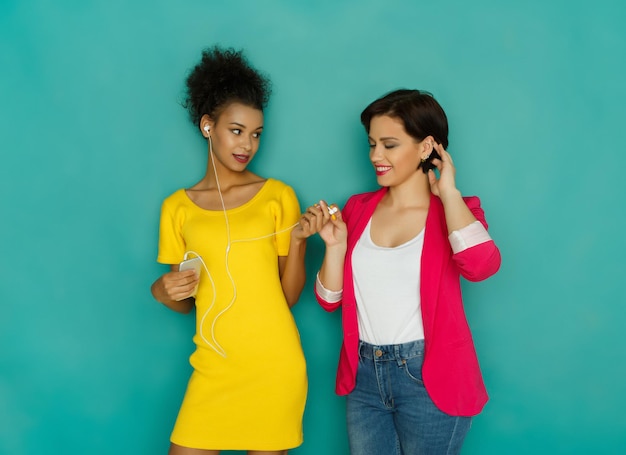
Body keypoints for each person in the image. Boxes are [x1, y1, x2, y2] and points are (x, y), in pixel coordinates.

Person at [307, 89, 502, 454]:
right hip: (365, 378)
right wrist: (335, 247)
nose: (375, 156)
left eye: (389, 145)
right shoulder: (358, 208)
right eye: (372, 144)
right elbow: (329, 300)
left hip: (429, 377)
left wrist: (448, 192)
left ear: (427, 146)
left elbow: (481, 266)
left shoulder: (455, 211)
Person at [151, 46, 317, 455]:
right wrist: (161, 289)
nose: (248, 145)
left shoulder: (277, 196)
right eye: (237, 130)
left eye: (257, 134)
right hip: (214, 365)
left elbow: (289, 297)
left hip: (274, 365)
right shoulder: (177, 208)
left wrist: (297, 244)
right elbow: (183, 301)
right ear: (209, 126)